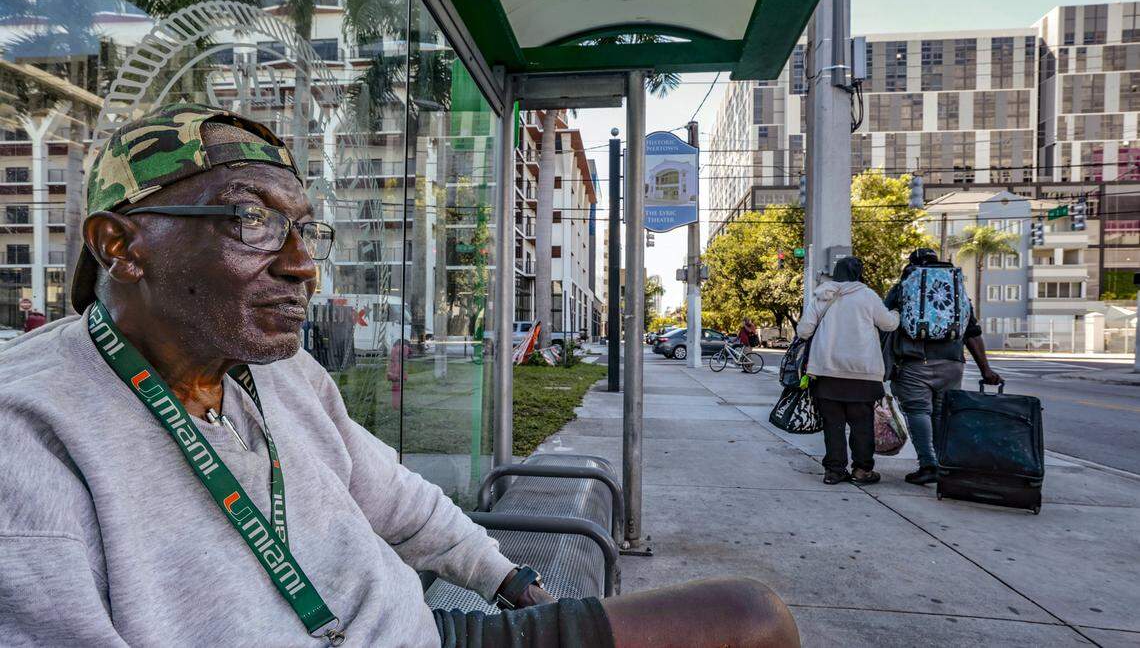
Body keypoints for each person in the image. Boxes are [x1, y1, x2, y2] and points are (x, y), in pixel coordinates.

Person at [0, 104, 799, 647]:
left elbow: (399, 501)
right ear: (121, 248)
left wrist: (509, 578)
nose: (302, 265)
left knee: (748, 617)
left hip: (418, 630)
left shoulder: (278, 372)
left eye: (306, 228)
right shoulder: (31, 426)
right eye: (251, 220)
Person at [884, 248, 1004, 486]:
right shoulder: (955, 291)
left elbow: (885, 321)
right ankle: (943, 464)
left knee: (918, 412)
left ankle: (928, 464)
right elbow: (972, 333)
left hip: (914, 363)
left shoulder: (904, 287)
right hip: (952, 363)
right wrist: (986, 370)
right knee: (941, 414)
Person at [796, 257, 899, 486]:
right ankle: (862, 470)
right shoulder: (868, 296)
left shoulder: (822, 296)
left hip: (826, 373)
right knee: (862, 426)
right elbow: (888, 325)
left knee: (833, 425)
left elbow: (803, 331)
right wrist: (896, 314)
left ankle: (834, 471)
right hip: (862, 374)